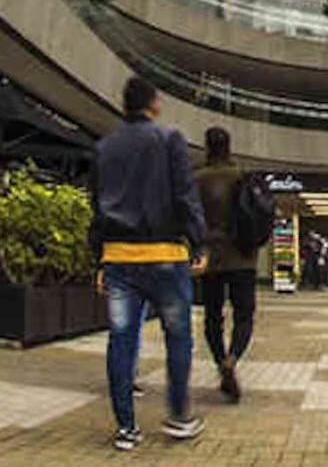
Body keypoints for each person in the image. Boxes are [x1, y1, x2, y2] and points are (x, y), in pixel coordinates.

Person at [89, 77, 207, 452]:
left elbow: (96, 206)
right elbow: (185, 194)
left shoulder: (104, 147)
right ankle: (178, 416)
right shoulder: (169, 138)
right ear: (153, 103)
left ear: (125, 105)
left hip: (118, 258)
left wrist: (98, 257)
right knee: (178, 336)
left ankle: (126, 427)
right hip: (165, 256)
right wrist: (198, 241)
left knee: (121, 340)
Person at [194, 126, 258, 405]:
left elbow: (191, 217)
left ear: (207, 147)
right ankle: (233, 358)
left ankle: (220, 360)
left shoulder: (197, 179)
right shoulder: (241, 175)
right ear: (229, 146)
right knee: (244, 314)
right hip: (243, 256)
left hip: (211, 257)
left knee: (213, 316)